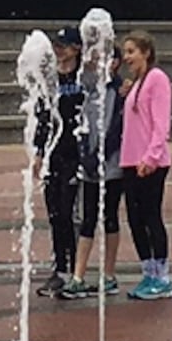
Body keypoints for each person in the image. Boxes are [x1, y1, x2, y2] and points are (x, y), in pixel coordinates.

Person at [36, 29, 101, 300]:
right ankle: (59, 267)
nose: (58, 50)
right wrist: (38, 152)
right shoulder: (50, 79)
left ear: (76, 49)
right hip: (54, 154)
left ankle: (75, 270)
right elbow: (41, 116)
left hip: (76, 155)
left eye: (63, 46)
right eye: (56, 45)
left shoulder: (84, 79)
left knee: (68, 212)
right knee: (54, 213)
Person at [112, 30, 172, 301]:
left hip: (150, 162)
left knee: (151, 216)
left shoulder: (157, 79)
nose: (126, 57)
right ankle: (148, 272)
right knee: (135, 219)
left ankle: (161, 276)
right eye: (125, 52)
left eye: (131, 51)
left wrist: (151, 157)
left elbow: (161, 124)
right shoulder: (136, 84)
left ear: (146, 53)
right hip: (130, 160)